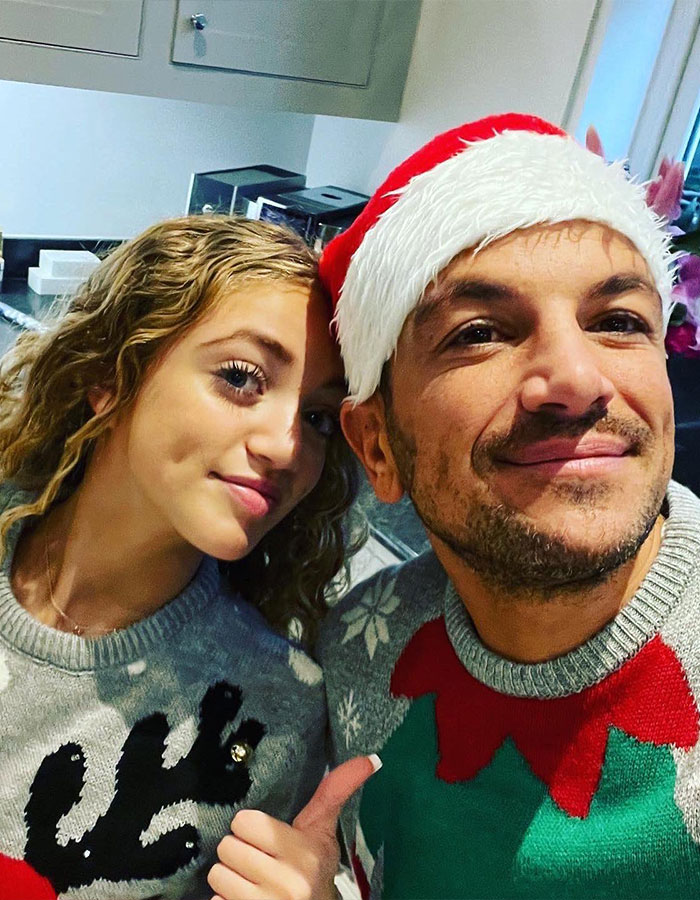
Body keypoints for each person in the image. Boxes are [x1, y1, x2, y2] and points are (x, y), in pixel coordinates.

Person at [312, 113, 700, 899]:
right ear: (377, 447)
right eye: (479, 333)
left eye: (619, 321)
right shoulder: (358, 651)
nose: (577, 379)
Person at [0, 215, 364, 900]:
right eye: (242, 377)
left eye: (317, 418)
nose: (286, 447)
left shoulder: (270, 712)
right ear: (111, 374)